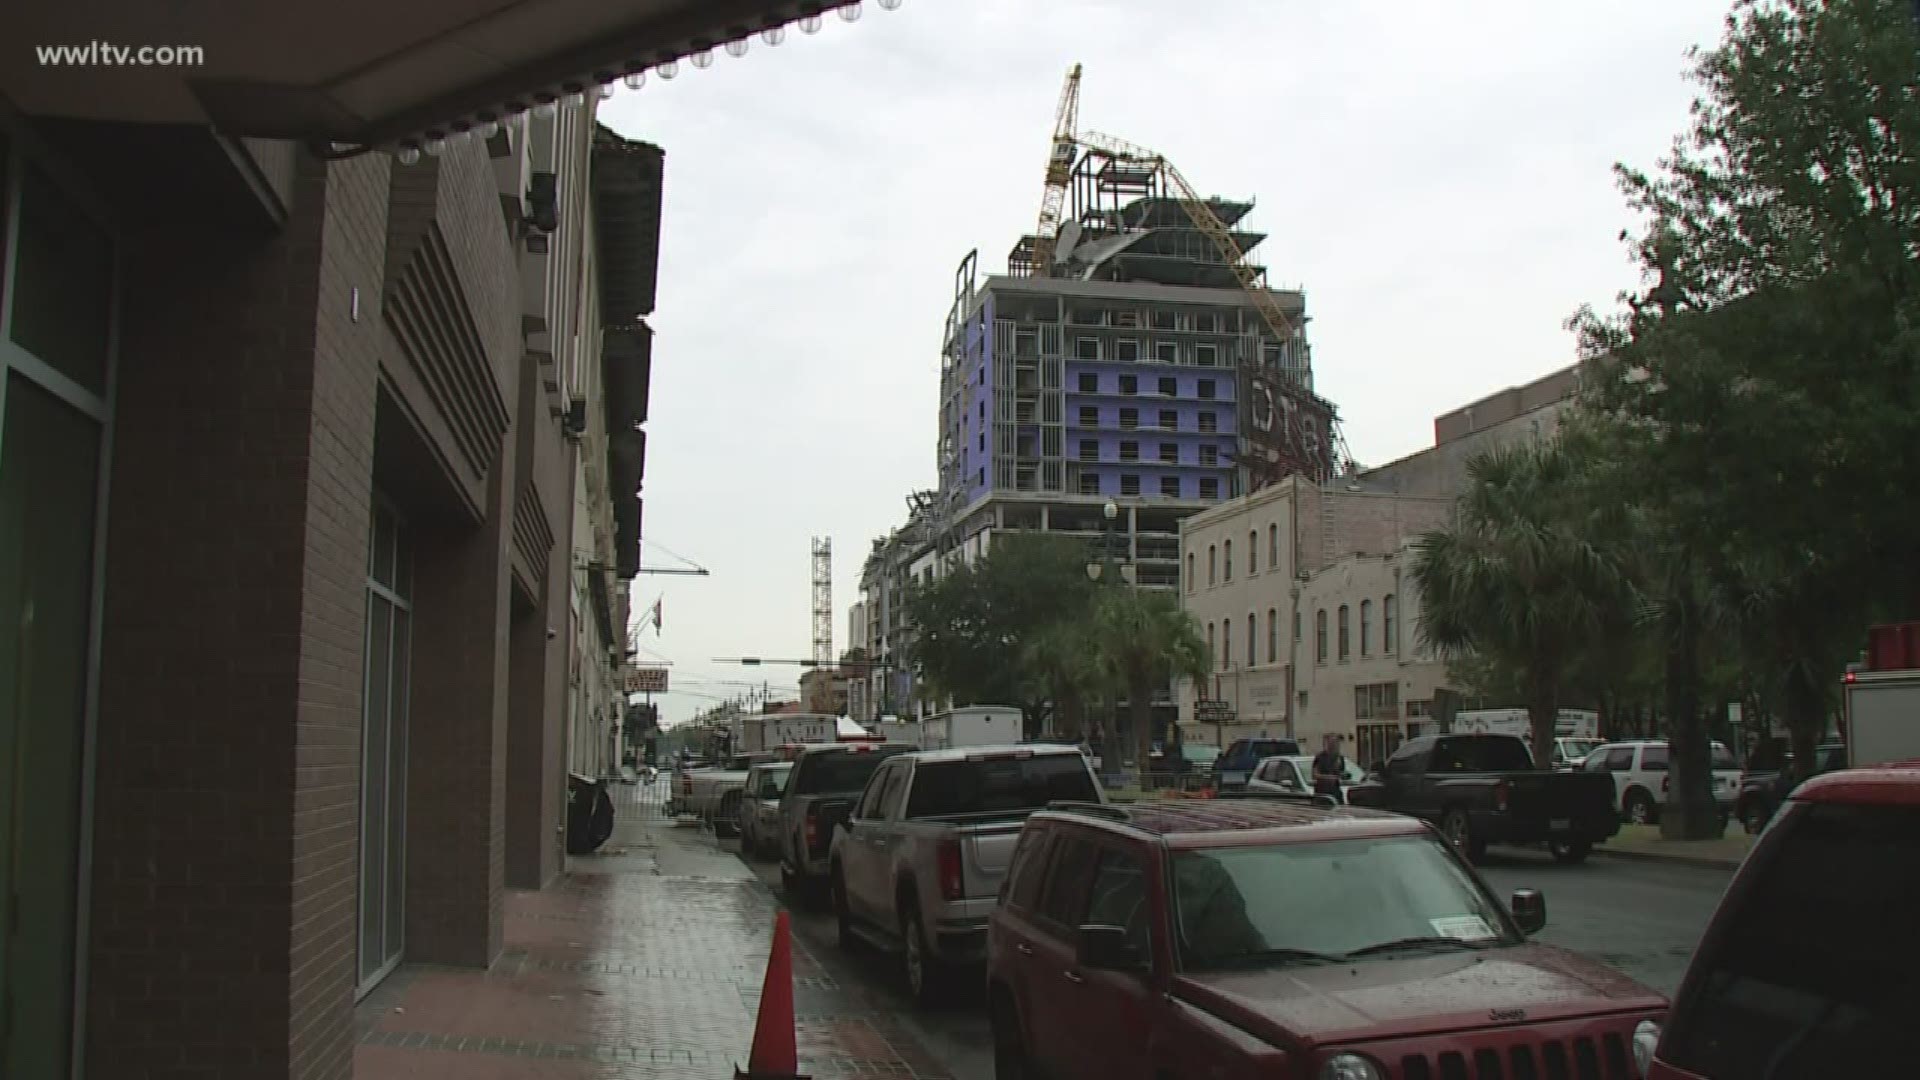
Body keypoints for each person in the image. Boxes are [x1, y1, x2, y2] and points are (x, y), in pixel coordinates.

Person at [1311, 733, 1349, 804]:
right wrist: (1331, 778)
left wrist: (1343, 775)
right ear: (1327, 744)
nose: (1335, 745)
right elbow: (1315, 775)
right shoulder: (1320, 757)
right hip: (1322, 792)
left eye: (1337, 743)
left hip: (1336, 792)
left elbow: (1340, 774)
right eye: (1332, 743)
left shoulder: (1340, 758)